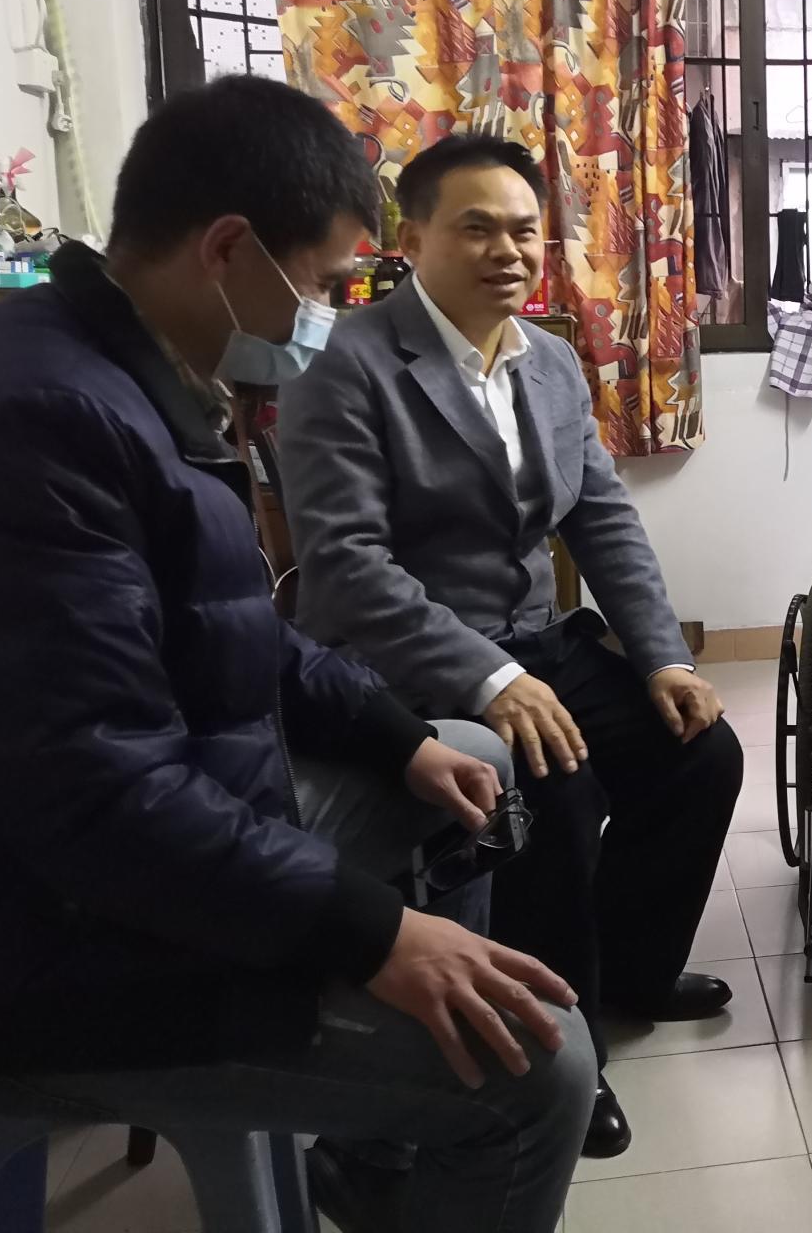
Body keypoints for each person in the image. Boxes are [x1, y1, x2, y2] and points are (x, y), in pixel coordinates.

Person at [0, 76, 596, 1233]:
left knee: (463, 763)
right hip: (32, 944)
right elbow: (96, 801)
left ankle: (379, 1148)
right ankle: (412, 1101)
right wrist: (375, 936)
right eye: (325, 282)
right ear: (229, 251)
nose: (328, 313)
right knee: (537, 1068)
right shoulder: (35, 420)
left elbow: (237, 630)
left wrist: (397, 737)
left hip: (123, 855)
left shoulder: (134, 380)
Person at [279, 132, 741, 1160]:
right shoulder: (343, 363)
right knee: (551, 790)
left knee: (699, 753)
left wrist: (662, 657)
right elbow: (348, 567)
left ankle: (627, 973)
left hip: (536, 641)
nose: (509, 252)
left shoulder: (551, 362)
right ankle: (557, 1050)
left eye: (525, 231)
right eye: (477, 228)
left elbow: (602, 519)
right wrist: (487, 679)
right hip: (403, 664)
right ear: (411, 240)